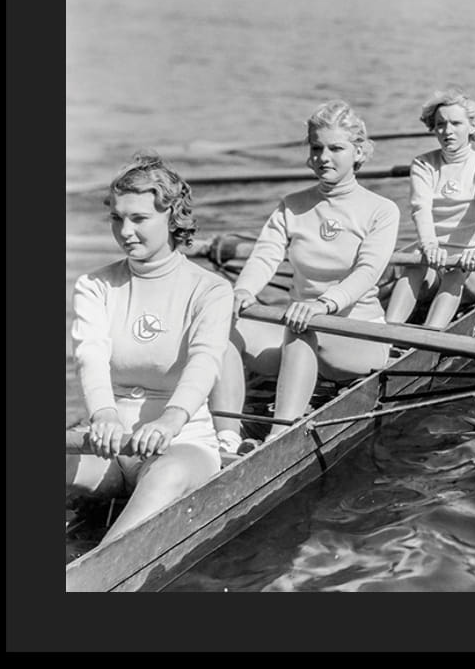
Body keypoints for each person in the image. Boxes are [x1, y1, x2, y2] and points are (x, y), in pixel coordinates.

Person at [67, 152, 233, 546]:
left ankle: (102, 570)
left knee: (166, 475)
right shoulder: (94, 285)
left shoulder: (210, 289)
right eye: (117, 218)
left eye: (139, 219)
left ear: (172, 218)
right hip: (108, 443)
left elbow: (204, 363)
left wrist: (170, 421)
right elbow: (90, 356)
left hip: (180, 444)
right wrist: (104, 413)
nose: (125, 231)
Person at [211, 100, 399, 441]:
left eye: (336, 148)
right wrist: (243, 291)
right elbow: (265, 256)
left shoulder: (382, 210)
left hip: (358, 336)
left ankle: (278, 437)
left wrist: (322, 304)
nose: (324, 157)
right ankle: (226, 438)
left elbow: (367, 272)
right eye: (316, 148)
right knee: (222, 327)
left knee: (301, 326)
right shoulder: (292, 205)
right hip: (299, 328)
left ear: (359, 152)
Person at [385, 89, 475, 329]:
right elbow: (420, 209)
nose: (447, 131)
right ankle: (386, 333)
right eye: (440, 124)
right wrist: (429, 245)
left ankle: (429, 336)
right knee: (413, 268)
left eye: (456, 123)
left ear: (472, 126)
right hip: (434, 259)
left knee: (456, 271)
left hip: (472, 267)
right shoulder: (423, 164)